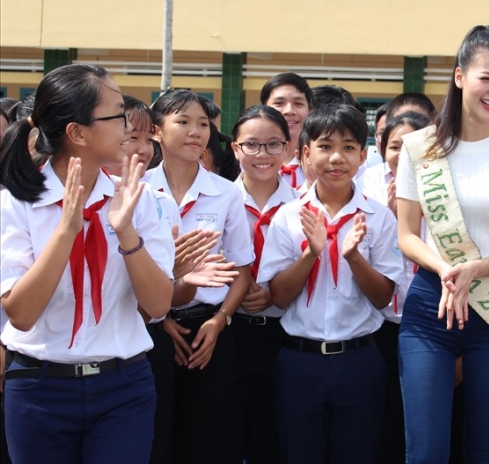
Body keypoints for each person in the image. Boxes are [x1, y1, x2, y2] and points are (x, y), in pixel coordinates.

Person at [0, 63, 174, 463]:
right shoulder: (16, 203)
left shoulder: (139, 199)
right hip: (39, 385)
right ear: (77, 133)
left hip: (122, 384)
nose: (128, 126)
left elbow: (158, 304)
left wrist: (126, 232)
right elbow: (21, 314)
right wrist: (66, 232)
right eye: (117, 115)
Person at [396, 25, 489, 464]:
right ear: (460, 76)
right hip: (431, 304)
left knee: (486, 450)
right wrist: (445, 269)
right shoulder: (419, 147)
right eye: (487, 78)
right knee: (425, 452)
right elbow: (407, 235)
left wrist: (475, 269)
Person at [258, 104, 403, 464]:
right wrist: (311, 254)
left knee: (358, 453)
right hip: (300, 359)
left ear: (363, 156)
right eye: (325, 146)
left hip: (359, 358)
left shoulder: (379, 218)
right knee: (298, 453)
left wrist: (354, 258)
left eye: (348, 147)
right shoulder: (289, 217)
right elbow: (279, 296)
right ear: (306, 153)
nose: (337, 158)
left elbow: (383, 297)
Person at [144, 90, 254, 464]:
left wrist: (220, 320)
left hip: (209, 334)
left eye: (203, 124)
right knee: (156, 441)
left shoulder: (225, 193)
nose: (196, 132)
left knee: (203, 441)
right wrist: (162, 319)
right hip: (153, 331)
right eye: (183, 121)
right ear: (156, 131)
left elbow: (241, 270)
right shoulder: (139, 190)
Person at [220, 105, 299, 464]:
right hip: (229, 331)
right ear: (235, 148)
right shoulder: (218, 200)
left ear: (288, 148)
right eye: (251, 144)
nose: (262, 154)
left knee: (271, 438)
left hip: (284, 334)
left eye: (273, 144)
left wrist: (273, 293)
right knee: (226, 434)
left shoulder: (303, 206)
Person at [358, 110, 431, 462]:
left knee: (422, 421)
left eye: (413, 145)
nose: (403, 154)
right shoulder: (365, 185)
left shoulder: (446, 192)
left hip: (430, 324)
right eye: (395, 146)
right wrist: (392, 217)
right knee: (381, 420)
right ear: (381, 148)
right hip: (381, 323)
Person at [261, 73, 312, 189]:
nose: (289, 111)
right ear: (264, 108)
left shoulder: (319, 162)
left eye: (298, 104)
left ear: (309, 110)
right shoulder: (249, 161)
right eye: (279, 103)